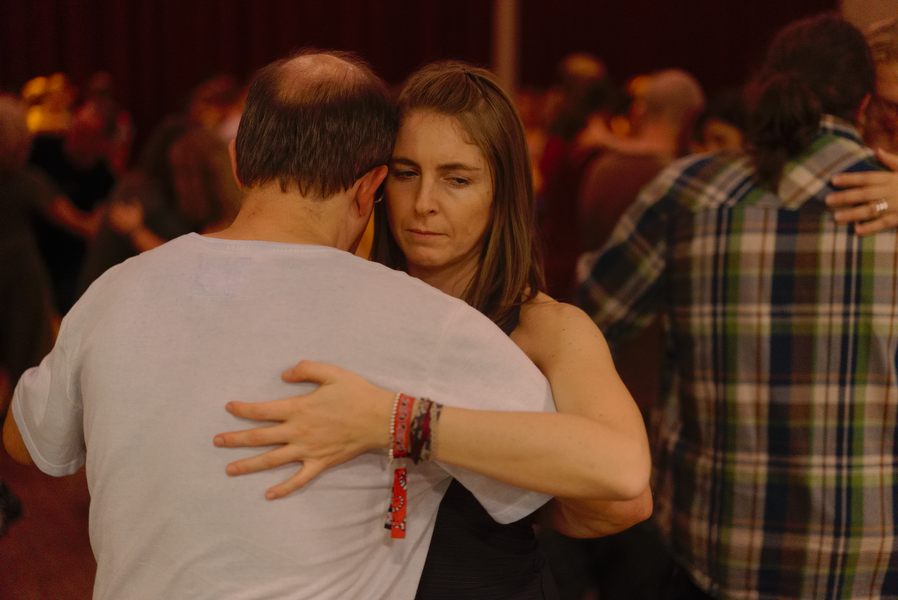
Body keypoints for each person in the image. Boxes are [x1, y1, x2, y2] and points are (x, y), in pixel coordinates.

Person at [4, 50, 566, 599]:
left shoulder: (116, 291)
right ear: (370, 187)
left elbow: (26, 441)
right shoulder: (428, 320)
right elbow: (589, 484)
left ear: (237, 163)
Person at [212, 61, 651, 598]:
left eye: (457, 179)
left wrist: (401, 424)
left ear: (503, 191)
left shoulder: (547, 329)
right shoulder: (346, 298)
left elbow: (624, 490)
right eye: (406, 173)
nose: (424, 204)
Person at [576, 13, 898, 599]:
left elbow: (584, 321)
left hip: (714, 556)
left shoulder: (690, 193)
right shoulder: (886, 208)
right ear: (865, 106)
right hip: (868, 568)